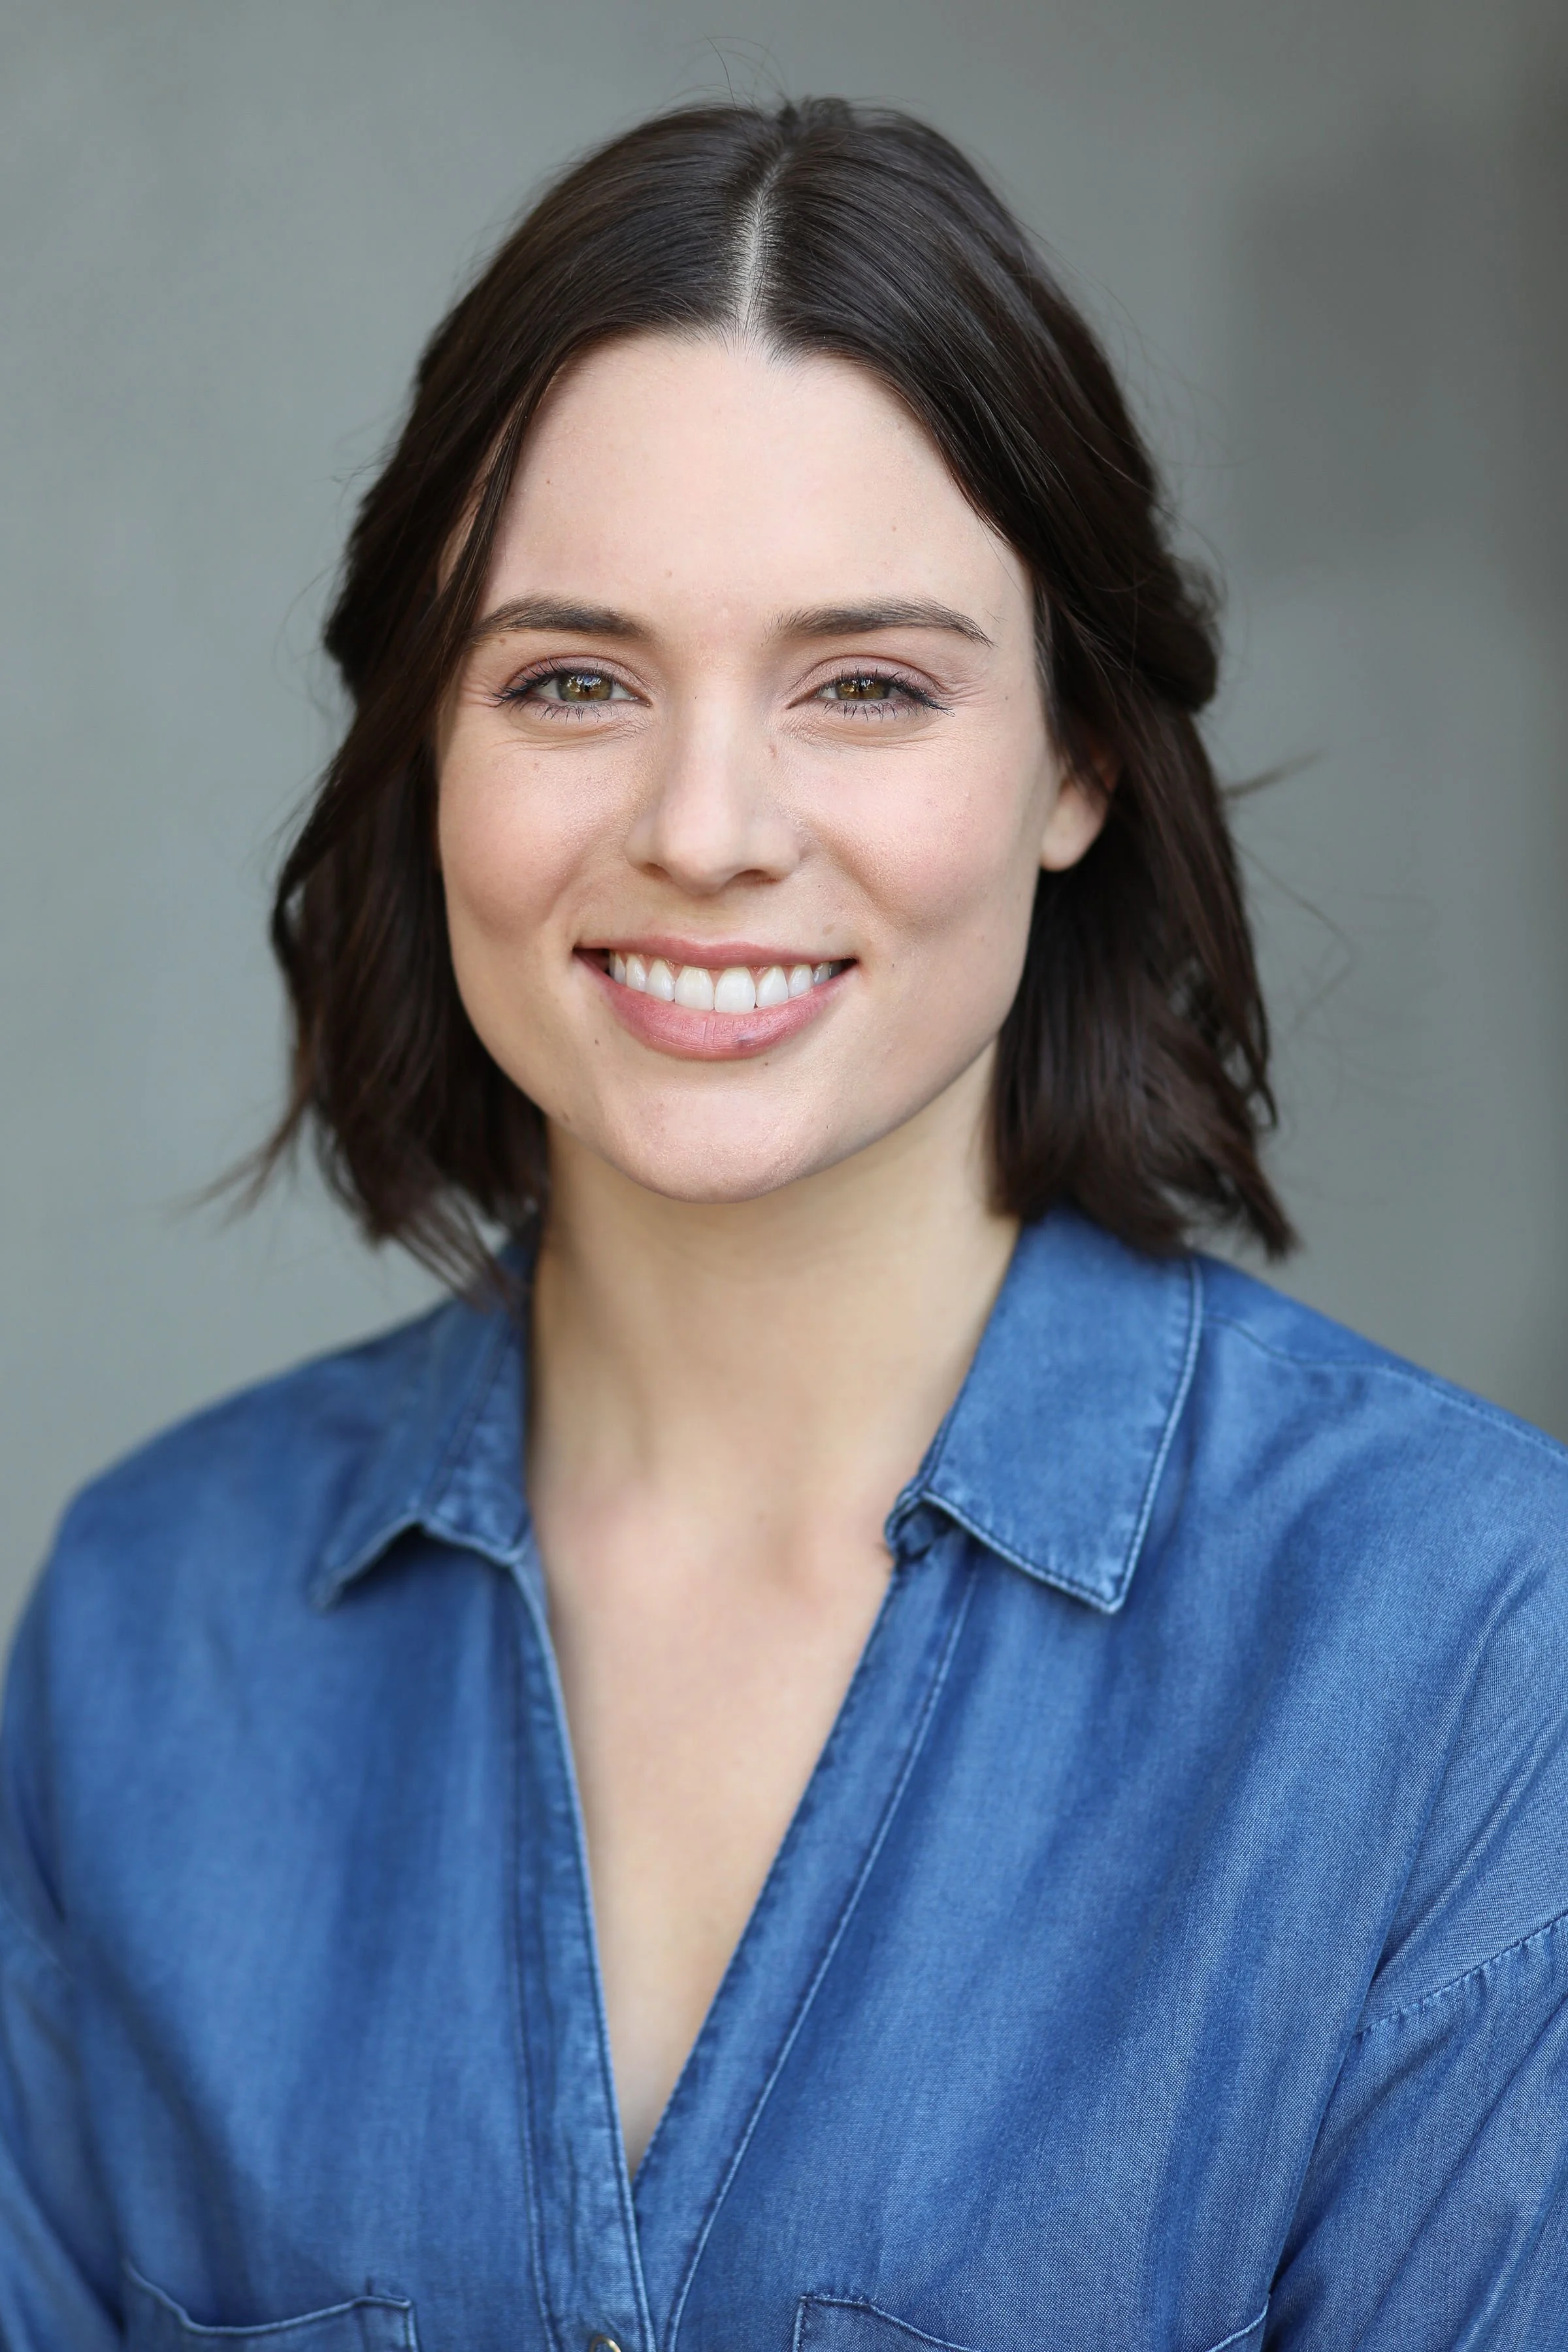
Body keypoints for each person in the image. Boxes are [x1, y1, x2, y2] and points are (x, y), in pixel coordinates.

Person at [3, 95, 1565, 2352]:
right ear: (423, 748)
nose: (709, 825)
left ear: (1073, 765)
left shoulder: (1466, 1660)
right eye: (571, 680)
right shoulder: (148, 1642)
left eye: (867, 685)